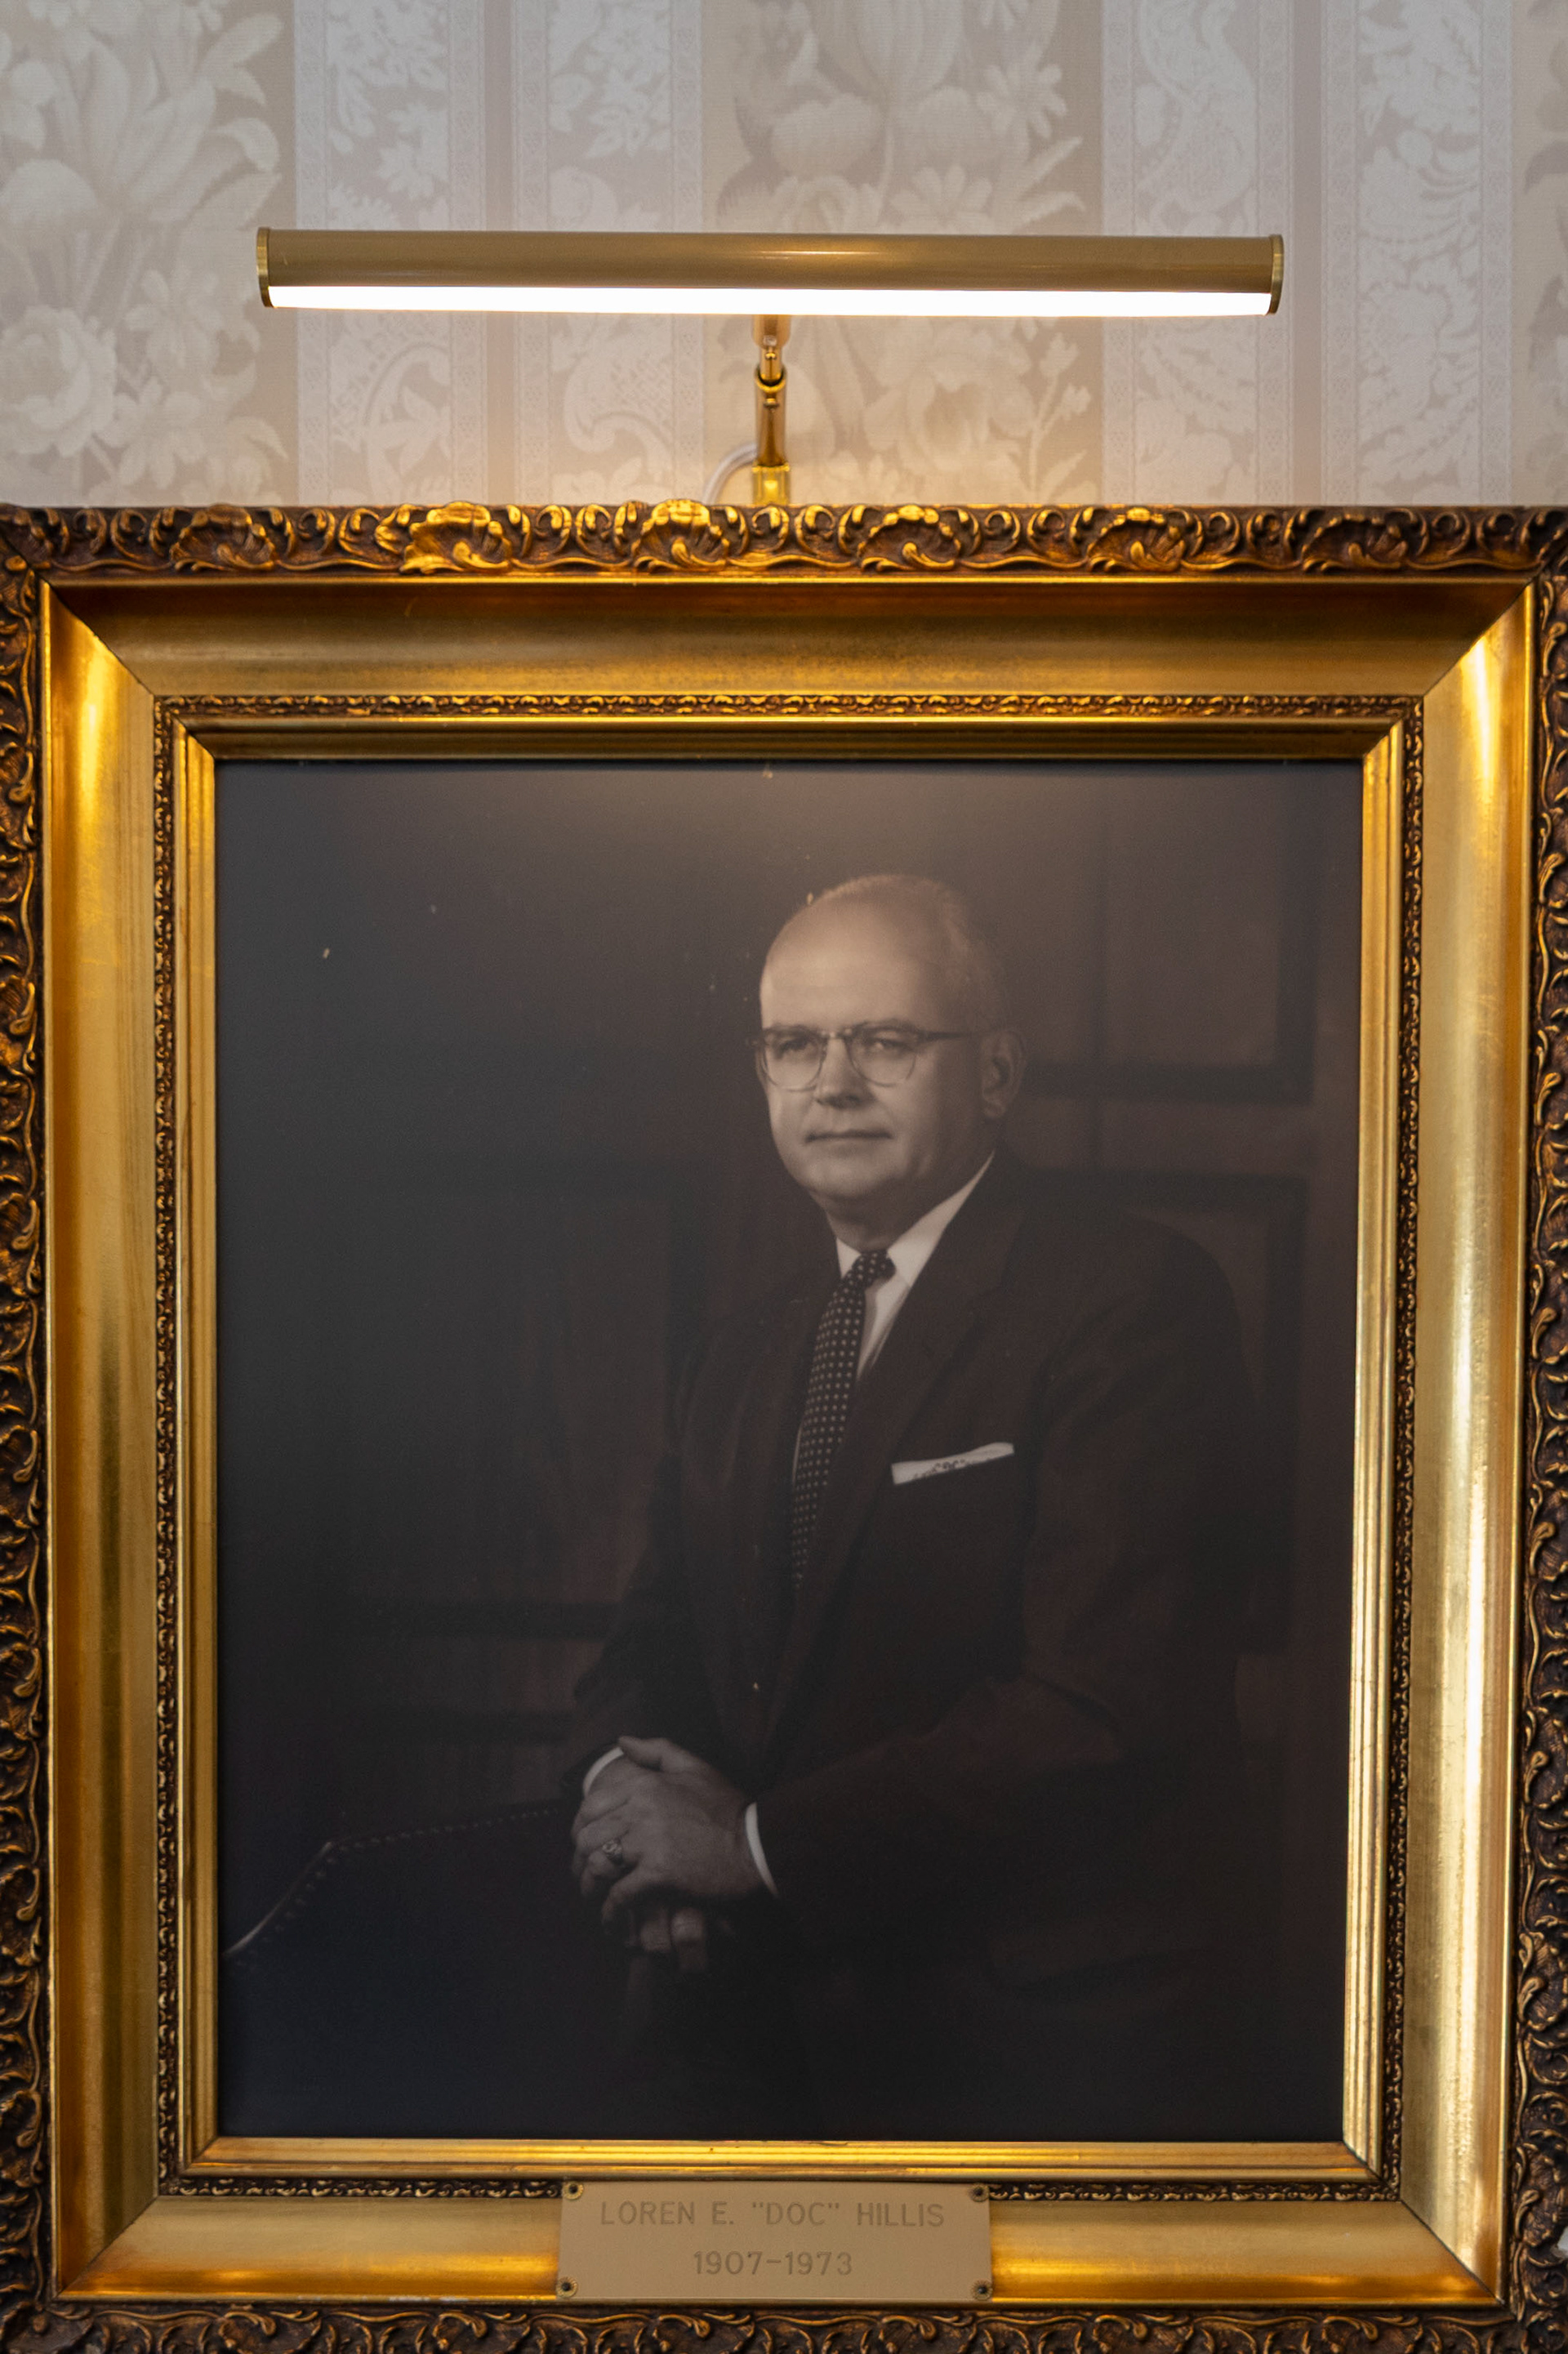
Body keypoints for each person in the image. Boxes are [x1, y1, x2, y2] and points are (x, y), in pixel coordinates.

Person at [566, 872, 1266, 2140]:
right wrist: (635, 1817)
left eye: (884, 1040)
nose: (832, 1082)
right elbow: (645, 1653)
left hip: (1021, 2055)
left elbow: (1098, 1707)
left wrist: (752, 1847)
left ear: (996, 1072)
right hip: (747, 2043)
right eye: (795, 1043)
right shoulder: (741, 1353)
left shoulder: (1134, 1301)